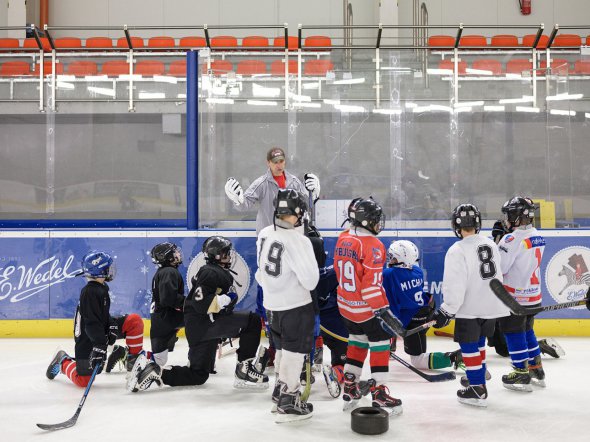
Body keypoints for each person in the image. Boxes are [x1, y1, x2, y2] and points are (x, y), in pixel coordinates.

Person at [128, 236, 268, 392]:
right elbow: (201, 304)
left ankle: (158, 372)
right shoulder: (211, 272)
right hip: (204, 324)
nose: (229, 255)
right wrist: (226, 299)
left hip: (199, 328)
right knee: (252, 321)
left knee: (198, 375)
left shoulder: (211, 271)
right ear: (216, 255)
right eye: (225, 252)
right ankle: (245, 369)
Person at [224, 146, 321, 367]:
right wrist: (238, 200)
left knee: (300, 291)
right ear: (268, 163)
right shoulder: (261, 183)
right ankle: (275, 347)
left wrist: (313, 196)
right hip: (270, 243)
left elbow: (306, 208)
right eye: (275, 161)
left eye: (282, 161)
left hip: (293, 240)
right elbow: (245, 204)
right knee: (268, 292)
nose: (279, 164)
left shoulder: (295, 182)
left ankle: (306, 347)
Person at [432, 203, 510, 407]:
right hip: (491, 305)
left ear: (456, 225)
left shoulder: (457, 249)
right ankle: (478, 373)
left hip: (470, 307)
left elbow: (455, 285)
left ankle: (477, 388)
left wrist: (447, 310)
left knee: (468, 345)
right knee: (480, 342)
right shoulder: (491, 244)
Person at [334, 197, 403, 415]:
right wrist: (385, 311)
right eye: (374, 219)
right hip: (365, 309)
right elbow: (370, 289)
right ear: (364, 221)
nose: (378, 223)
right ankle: (379, 393)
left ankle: (351, 388)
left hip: (345, 307)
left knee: (357, 340)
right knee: (381, 342)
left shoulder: (343, 238)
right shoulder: (373, 245)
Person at [256, 189, 319, 422]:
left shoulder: (265, 234)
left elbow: (260, 274)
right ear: (298, 211)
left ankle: (279, 391)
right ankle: (289, 399)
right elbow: (311, 280)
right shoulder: (298, 240)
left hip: (271, 306)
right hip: (295, 306)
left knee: (282, 349)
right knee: (294, 353)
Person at [46, 251, 146, 387]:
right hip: (87, 336)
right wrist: (99, 346)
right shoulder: (90, 292)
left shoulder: (101, 287)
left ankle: (132, 363)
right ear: (100, 270)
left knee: (134, 321)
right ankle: (62, 360)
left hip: (98, 330)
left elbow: (102, 314)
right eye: (108, 267)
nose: (111, 270)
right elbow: (91, 323)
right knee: (84, 381)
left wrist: (111, 324)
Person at [493, 196, 548, 391]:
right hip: (534, 296)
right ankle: (536, 369)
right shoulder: (537, 235)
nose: (506, 218)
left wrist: (497, 243)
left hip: (514, 298)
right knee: (527, 330)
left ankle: (520, 373)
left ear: (517, 216)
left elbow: (501, 268)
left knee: (513, 332)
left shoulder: (511, 238)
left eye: (509, 214)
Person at [382, 240, 463, 371]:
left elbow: (392, 304)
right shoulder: (417, 270)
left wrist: (389, 330)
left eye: (393, 257)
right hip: (426, 313)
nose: (390, 260)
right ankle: (390, 342)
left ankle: (453, 358)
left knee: (418, 360)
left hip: (412, 321)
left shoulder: (389, 274)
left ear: (402, 259)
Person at [146, 242, 186, 367]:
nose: (178, 254)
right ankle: (199, 359)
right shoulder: (169, 271)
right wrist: (190, 302)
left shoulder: (162, 271)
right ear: (169, 257)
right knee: (201, 318)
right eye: (175, 252)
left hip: (159, 321)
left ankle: (133, 357)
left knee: (159, 360)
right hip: (168, 318)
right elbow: (168, 299)